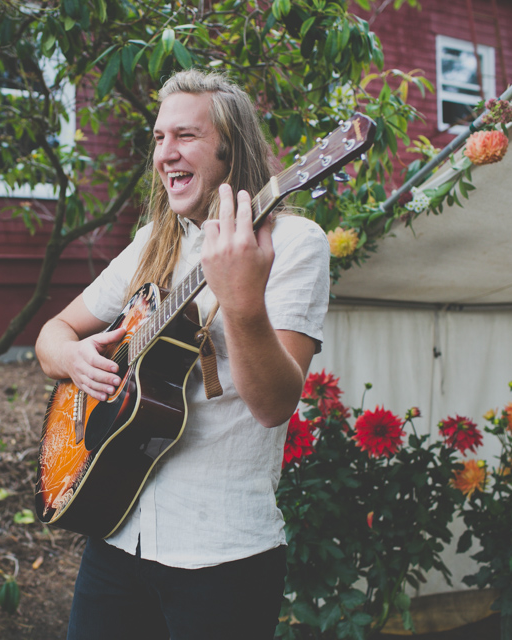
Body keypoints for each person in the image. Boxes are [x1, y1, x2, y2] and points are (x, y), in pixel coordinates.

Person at [35, 70, 331, 639]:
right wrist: (74, 359)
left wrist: (242, 302)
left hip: (222, 555)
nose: (166, 153)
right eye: (158, 138)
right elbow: (53, 332)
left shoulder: (293, 243)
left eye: (185, 136)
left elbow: (273, 405)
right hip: (118, 532)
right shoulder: (154, 242)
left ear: (230, 147)